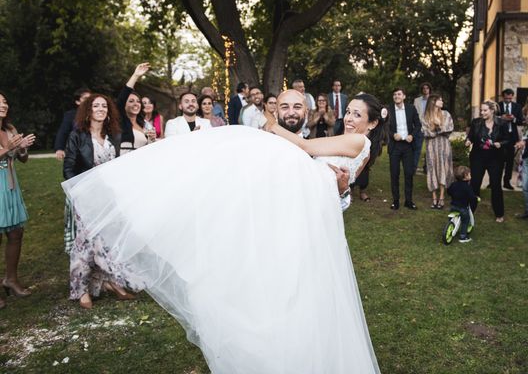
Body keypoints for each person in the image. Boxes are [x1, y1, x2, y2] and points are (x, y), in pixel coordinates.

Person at [62, 92, 385, 373]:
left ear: (371, 123)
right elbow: (330, 172)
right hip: (304, 206)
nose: (350, 118)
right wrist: (337, 186)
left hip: (309, 206)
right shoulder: (354, 144)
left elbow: (305, 146)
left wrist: (269, 127)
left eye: (358, 114)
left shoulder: (358, 140)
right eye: (349, 112)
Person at [63, 93, 135, 308]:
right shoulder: (77, 136)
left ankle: (110, 281)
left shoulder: (114, 135)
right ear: (88, 110)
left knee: (109, 241)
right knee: (84, 244)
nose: (101, 109)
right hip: (85, 196)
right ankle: (81, 289)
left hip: (108, 197)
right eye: (96, 106)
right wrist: (81, 192)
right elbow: (68, 168)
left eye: (104, 106)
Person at [0, 91, 36, 309]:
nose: (3, 104)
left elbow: (22, 159)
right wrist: (10, 147)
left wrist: (22, 149)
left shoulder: (9, 129)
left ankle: (10, 279)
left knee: (16, 233)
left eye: (4, 101)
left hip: (11, 185)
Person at [466, 100, 510, 222]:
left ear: (492, 111)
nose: (482, 112)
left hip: (495, 158)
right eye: (481, 110)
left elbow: (507, 140)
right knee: (474, 185)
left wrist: (500, 144)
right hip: (478, 158)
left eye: (485, 110)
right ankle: (470, 211)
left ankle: (499, 213)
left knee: (496, 185)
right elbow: (470, 136)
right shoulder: (476, 122)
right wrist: (468, 141)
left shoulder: (502, 123)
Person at [388, 88, 421, 210]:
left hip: (408, 146)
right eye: (394, 94)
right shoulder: (389, 110)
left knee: (408, 174)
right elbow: (385, 126)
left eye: (399, 94)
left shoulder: (411, 109)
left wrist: (412, 135)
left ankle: (408, 201)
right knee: (394, 174)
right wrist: (392, 135)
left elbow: (418, 125)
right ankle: (395, 201)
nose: (396, 96)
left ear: (404, 96)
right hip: (395, 146)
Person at [423, 94, 455, 209]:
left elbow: (450, 128)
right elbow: (426, 132)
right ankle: (434, 198)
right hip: (431, 147)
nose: (442, 101)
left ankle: (441, 197)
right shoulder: (426, 116)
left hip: (444, 146)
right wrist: (437, 130)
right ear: (433, 102)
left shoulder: (446, 114)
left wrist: (438, 128)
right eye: (439, 100)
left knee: (443, 169)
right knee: (432, 170)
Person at [118, 63, 155, 154]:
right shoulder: (121, 121)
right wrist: (135, 75)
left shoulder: (144, 124)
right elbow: (122, 97)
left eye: (138, 101)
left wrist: (152, 139)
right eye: (131, 101)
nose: (136, 104)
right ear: (124, 105)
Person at [54, 88, 91, 161]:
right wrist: (59, 148)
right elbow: (63, 132)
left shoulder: (99, 114)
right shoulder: (70, 115)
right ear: (77, 102)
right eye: (85, 98)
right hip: (76, 153)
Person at [498, 88, 524, 190]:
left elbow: (521, 121)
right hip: (500, 136)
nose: (508, 100)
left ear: (512, 97)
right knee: (498, 160)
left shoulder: (517, 107)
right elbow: (493, 118)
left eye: (510, 98)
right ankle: (494, 181)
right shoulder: (498, 105)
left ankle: (506, 181)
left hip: (511, 136)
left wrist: (513, 118)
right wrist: (501, 118)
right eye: (506, 98)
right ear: (503, 97)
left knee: (509, 160)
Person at [447, 166, 478, 243]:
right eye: (469, 174)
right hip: (463, 208)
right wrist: (475, 198)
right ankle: (463, 236)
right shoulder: (467, 187)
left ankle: (451, 224)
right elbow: (471, 196)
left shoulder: (454, 184)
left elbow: (449, 191)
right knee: (466, 220)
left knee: (452, 217)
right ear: (465, 176)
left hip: (453, 206)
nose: (471, 175)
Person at [412, 82, 432, 174]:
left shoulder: (433, 100)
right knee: (417, 149)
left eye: (427, 88)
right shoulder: (417, 100)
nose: (425, 90)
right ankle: (413, 168)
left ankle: (426, 168)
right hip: (419, 127)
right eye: (424, 88)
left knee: (429, 149)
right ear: (422, 90)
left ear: (429, 89)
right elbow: (415, 114)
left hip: (430, 128)